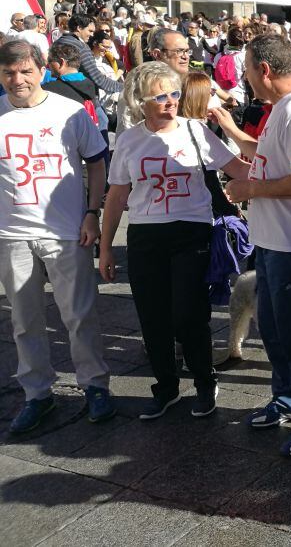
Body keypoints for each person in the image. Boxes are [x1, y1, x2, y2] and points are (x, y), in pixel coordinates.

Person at [210, 34, 291, 457]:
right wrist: (226, 130)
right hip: (273, 242)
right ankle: (288, 398)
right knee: (276, 330)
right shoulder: (282, 109)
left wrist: (252, 187)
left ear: (264, 70)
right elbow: (266, 156)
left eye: (247, 70)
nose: (246, 79)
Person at [99, 63, 249, 419]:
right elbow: (118, 195)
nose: (170, 102)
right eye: (160, 96)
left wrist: (278, 177)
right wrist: (105, 248)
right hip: (146, 233)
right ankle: (165, 387)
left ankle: (203, 381)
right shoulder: (130, 139)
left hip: (191, 230)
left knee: (188, 312)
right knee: (153, 316)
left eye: (174, 94)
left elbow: (238, 168)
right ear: (142, 101)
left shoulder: (195, 130)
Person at [0, 40, 114, 434]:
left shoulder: (69, 112)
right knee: (24, 320)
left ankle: (95, 386)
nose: (18, 80)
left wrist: (92, 213)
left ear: (42, 69)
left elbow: (97, 164)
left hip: (65, 231)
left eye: (26, 71)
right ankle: (37, 394)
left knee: (79, 315)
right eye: (9, 73)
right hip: (11, 234)